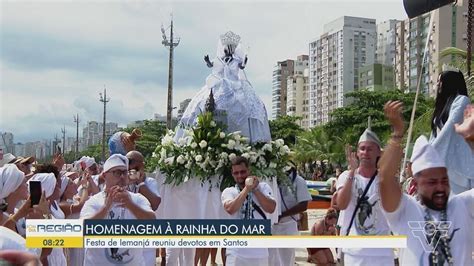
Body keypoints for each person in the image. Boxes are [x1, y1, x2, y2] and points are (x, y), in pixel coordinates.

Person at [380, 100, 472, 265]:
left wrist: (472, 142)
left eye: (444, 180)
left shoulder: (463, 205)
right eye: (432, 182)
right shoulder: (405, 210)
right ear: (416, 181)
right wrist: (397, 134)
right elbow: (385, 180)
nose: (440, 187)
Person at [176, 31, 271, 143]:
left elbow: (242, 66)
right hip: (219, 83)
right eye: (226, 48)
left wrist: (244, 61)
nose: (227, 50)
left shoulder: (236, 59)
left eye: (230, 48)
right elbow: (211, 65)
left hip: (236, 84)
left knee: (249, 105)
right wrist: (207, 61)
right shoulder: (219, 59)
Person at [80, 154, 155, 266]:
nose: (122, 177)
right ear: (105, 176)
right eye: (117, 172)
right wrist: (105, 208)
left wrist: (130, 205)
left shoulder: (138, 199)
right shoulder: (93, 202)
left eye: (125, 172)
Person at [335, 128, 394, 265]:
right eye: (362, 149)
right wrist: (352, 172)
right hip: (355, 253)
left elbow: (392, 208)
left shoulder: (385, 179)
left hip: (382, 253)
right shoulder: (346, 176)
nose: (365, 153)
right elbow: (341, 204)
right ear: (357, 152)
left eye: (370, 149)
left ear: (378, 152)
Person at [221, 156, 276, 266]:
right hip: (236, 251)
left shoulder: (263, 187)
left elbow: (271, 208)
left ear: (249, 171)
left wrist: (255, 189)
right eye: (236, 173)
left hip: (260, 251)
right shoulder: (229, 191)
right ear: (232, 175)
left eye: (243, 172)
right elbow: (230, 209)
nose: (240, 176)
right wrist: (247, 189)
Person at [430, 70, 473, 193]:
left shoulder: (462, 101)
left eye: (440, 81)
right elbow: (434, 136)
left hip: (458, 168)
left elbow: (450, 128)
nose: (438, 84)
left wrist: (429, 152)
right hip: (443, 165)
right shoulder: (441, 108)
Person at [269, 162, 311, 266]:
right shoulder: (273, 180)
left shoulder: (299, 181)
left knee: (286, 258)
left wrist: (282, 215)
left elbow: (304, 205)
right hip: (272, 225)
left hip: (288, 224)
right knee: (271, 258)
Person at [126, 151, 161, 266]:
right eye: (128, 162)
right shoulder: (121, 181)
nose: (130, 166)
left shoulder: (150, 182)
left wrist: (140, 184)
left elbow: (155, 204)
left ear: (142, 165)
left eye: (133, 163)